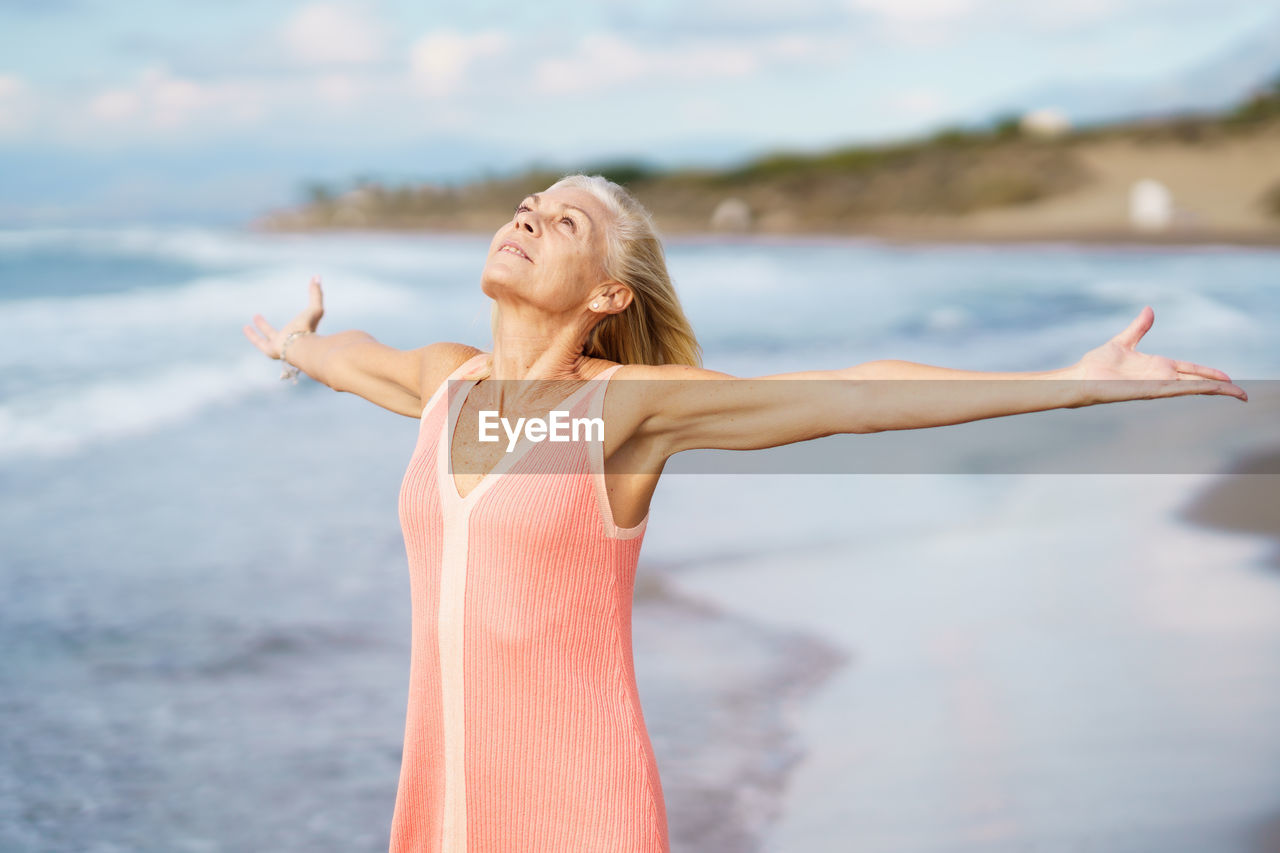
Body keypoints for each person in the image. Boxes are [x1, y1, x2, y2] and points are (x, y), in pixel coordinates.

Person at [242, 173, 1246, 852]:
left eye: (563, 223)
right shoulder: (446, 387)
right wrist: (296, 347)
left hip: (578, 809)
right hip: (444, 804)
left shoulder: (623, 410)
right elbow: (349, 357)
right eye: (527, 205)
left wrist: (1067, 383)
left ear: (603, 296)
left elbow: (845, 395)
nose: (526, 217)